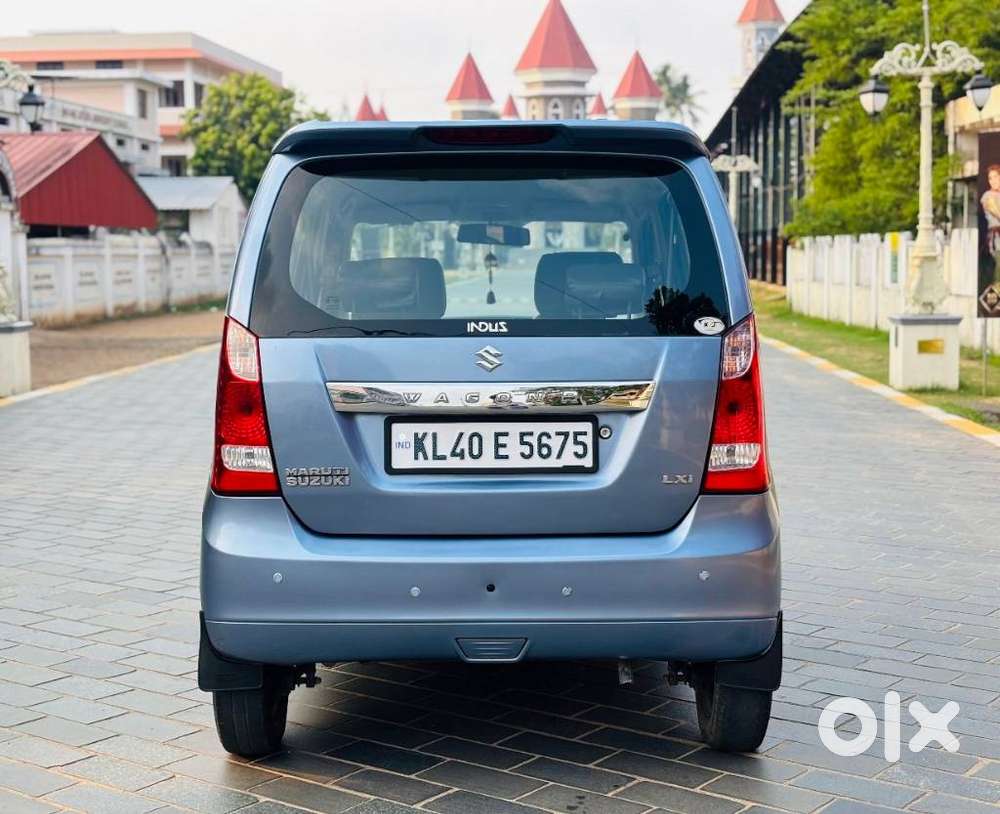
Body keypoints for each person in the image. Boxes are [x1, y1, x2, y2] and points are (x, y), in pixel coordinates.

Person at [982, 164, 1000, 281]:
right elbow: (996, 212)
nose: (993, 180)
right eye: (990, 178)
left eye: (995, 176)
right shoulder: (987, 196)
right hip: (996, 236)